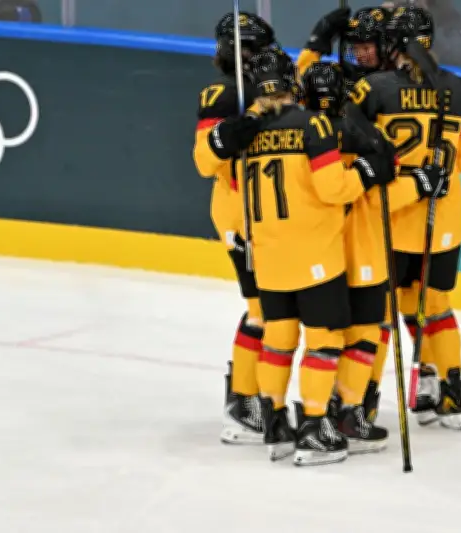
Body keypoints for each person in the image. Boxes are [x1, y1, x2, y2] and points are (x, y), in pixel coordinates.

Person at [234, 50, 396, 466]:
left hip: (268, 257)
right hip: (315, 256)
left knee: (278, 340)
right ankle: (314, 428)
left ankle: (274, 424)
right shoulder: (313, 125)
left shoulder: (249, 132)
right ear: (293, 83)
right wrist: (365, 170)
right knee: (324, 341)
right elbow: (334, 190)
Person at [348, 6, 461, 429]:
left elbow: (352, 149)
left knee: (378, 316)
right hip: (444, 224)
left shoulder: (373, 89)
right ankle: (449, 393)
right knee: (434, 308)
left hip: (392, 219)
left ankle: (364, 402)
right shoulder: (458, 89)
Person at [192, 12, 277, 445]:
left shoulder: (270, 87)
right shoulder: (223, 95)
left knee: (272, 309)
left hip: (270, 217)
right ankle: (243, 402)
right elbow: (205, 159)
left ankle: (254, 396)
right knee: (262, 310)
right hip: (240, 218)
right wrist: (233, 132)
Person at [300, 61, 392, 453]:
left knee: (327, 338)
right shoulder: (365, 135)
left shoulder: (297, 132)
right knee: (364, 335)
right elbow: (381, 191)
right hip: (362, 248)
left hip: (321, 253)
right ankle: (348, 412)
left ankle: (320, 413)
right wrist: (419, 182)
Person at [298, 6, 392, 88]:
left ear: (385, 46)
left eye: (366, 48)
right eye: (355, 48)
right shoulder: (341, 81)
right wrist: (315, 45)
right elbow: (300, 85)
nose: (359, 55)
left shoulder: (399, 82)